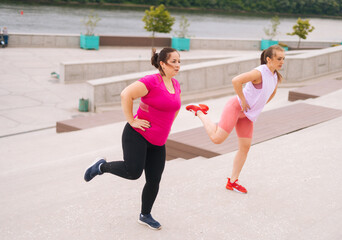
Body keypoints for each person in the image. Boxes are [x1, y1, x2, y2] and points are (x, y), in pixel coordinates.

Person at [84, 47, 181, 230]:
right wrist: (132, 120)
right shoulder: (152, 81)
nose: (178, 65)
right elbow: (126, 94)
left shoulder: (175, 84)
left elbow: (175, 107)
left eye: (179, 61)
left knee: (154, 180)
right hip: (137, 135)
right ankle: (100, 166)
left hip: (158, 141)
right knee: (133, 172)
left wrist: (166, 127)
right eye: (174, 61)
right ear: (162, 64)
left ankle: (145, 215)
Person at [186, 45, 285, 194]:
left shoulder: (275, 76)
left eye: (284, 59)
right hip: (236, 107)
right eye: (279, 59)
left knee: (245, 148)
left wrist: (257, 106)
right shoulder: (259, 72)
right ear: (269, 59)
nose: (282, 61)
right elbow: (236, 80)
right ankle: (200, 112)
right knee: (217, 139)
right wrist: (243, 99)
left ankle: (232, 181)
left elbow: (271, 93)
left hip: (247, 115)